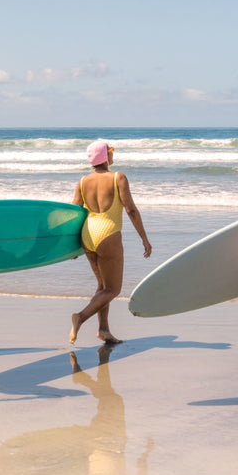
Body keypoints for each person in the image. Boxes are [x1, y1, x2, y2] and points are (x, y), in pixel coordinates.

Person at [70, 140, 152, 345]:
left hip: (87, 235)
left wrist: (71, 246)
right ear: (104, 157)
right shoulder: (118, 178)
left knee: (102, 287)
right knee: (112, 290)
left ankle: (104, 330)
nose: (113, 154)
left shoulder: (82, 181)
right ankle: (80, 317)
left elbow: (73, 213)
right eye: (110, 151)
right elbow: (131, 209)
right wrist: (144, 238)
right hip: (108, 234)